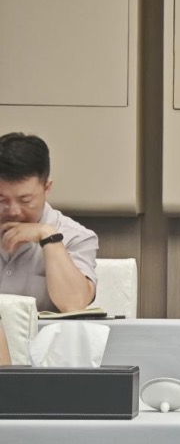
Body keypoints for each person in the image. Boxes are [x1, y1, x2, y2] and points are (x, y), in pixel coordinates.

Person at [0, 133, 97, 312]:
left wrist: (48, 236)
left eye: (25, 200)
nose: (13, 211)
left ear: (47, 188)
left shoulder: (76, 236)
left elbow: (74, 305)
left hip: (46, 332)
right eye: (2, 200)